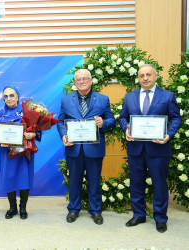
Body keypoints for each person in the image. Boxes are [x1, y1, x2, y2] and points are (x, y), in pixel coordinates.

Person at [119, 64, 181, 233]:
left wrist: (168, 134)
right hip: (135, 148)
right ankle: (138, 214)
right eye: (141, 75)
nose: (145, 78)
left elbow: (176, 118)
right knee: (136, 183)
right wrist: (126, 128)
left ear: (155, 76)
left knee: (159, 184)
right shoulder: (130, 97)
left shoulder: (168, 96)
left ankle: (160, 217)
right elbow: (123, 117)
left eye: (148, 75)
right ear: (138, 78)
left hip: (159, 148)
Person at [57, 69, 115, 225]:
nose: (82, 81)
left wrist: (104, 123)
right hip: (73, 148)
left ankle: (96, 211)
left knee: (94, 181)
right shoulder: (66, 100)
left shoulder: (102, 99)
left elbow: (111, 119)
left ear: (91, 81)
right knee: (74, 181)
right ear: (75, 83)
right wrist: (63, 135)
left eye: (85, 78)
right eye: (78, 79)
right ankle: (73, 209)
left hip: (94, 149)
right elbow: (61, 122)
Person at [0, 86, 41, 219]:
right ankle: (12, 207)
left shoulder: (28, 112)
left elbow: (37, 130)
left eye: (12, 95)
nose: (9, 98)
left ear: (18, 96)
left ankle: (23, 208)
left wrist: (33, 135)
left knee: (24, 177)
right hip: (6, 152)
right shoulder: (0, 113)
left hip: (24, 152)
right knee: (9, 178)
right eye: (6, 96)